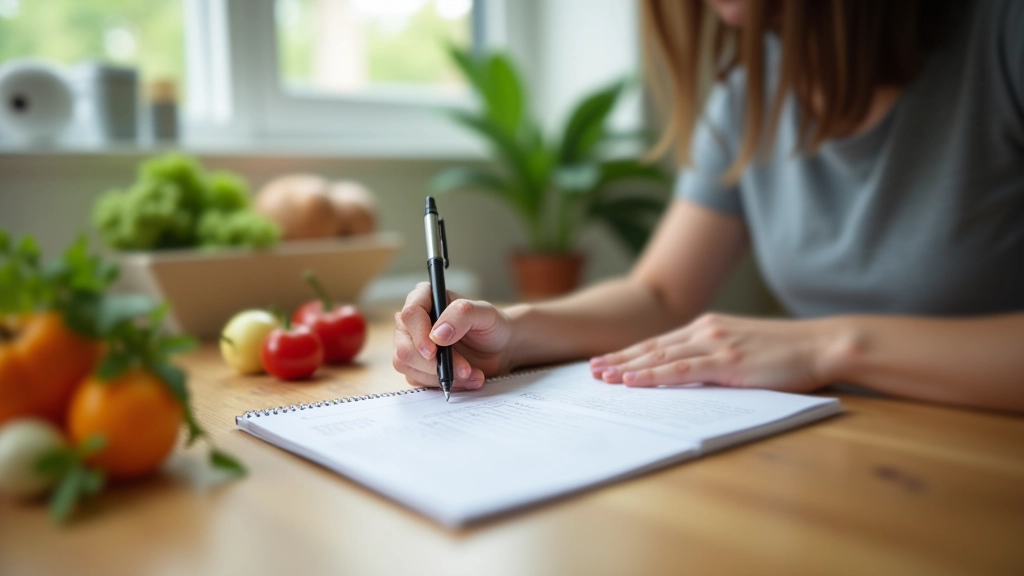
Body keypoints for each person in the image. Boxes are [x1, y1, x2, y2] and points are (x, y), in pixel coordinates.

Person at [394, 0, 1024, 414]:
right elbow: (661, 294)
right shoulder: (746, 96)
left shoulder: (1001, 33)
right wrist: (511, 335)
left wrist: (829, 347)